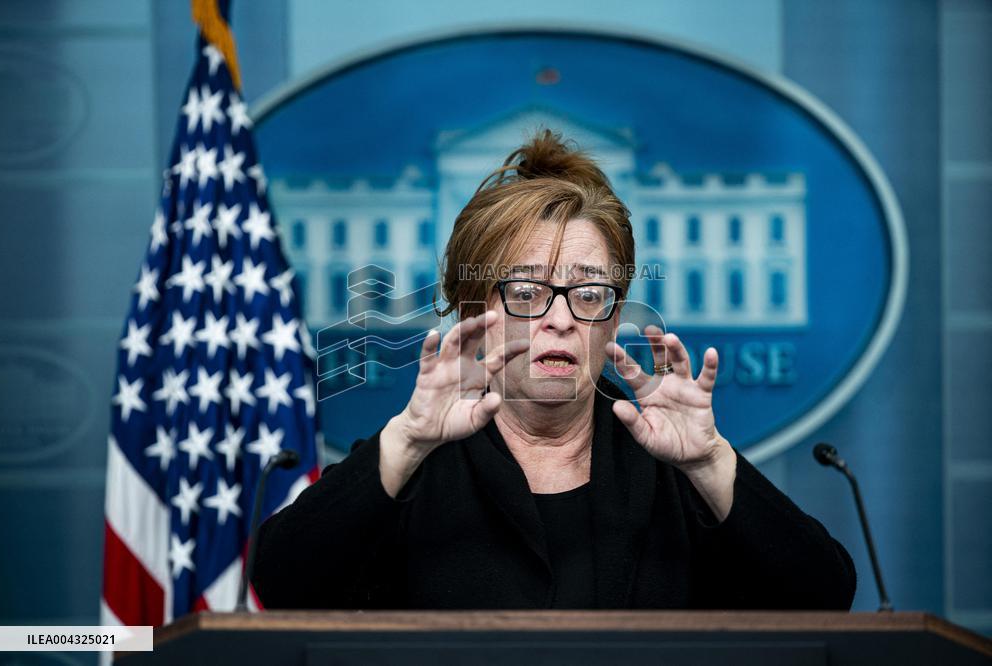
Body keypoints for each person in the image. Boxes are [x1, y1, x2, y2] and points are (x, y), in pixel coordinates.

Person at [251, 129, 857, 610]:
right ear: (473, 311)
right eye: (526, 291)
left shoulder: (674, 470)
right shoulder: (411, 465)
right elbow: (281, 583)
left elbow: (824, 596)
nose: (560, 319)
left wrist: (711, 461)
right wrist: (406, 440)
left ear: (613, 317)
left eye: (589, 293)